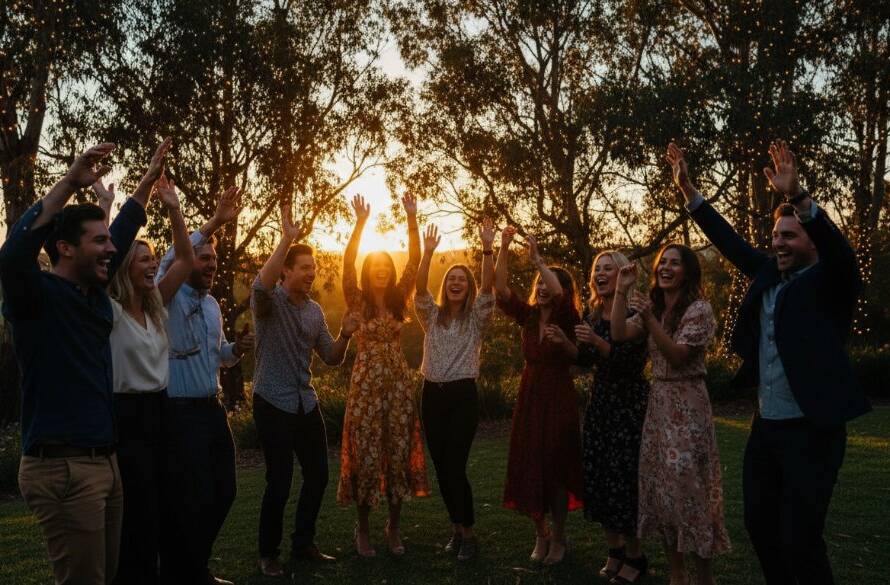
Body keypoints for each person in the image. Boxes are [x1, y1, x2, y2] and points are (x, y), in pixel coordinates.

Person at [666, 140, 871, 585]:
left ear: (811, 244)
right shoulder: (766, 271)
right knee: (760, 525)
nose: (777, 242)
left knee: (801, 537)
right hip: (767, 428)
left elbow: (843, 256)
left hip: (812, 431)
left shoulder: (830, 282)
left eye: (789, 235)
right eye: (775, 235)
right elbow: (728, 241)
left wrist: (798, 197)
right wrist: (690, 193)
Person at [1, 142, 156, 584]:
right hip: (63, 468)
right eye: (100, 241)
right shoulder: (37, 298)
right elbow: (13, 255)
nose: (113, 249)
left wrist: (144, 184)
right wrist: (70, 181)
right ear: (65, 249)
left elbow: (119, 234)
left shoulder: (90, 293)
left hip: (103, 462)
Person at [250, 199, 359, 577]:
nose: (312, 273)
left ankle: (303, 543)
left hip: (304, 403)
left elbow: (330, 357)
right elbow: (258, 287)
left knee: (318, 475)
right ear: (286, 271)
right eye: (305, 268)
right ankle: (268, 553)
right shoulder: (268, 304)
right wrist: (286, 238)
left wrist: (345, 335)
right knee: (278, 480)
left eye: (314, 268)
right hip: (272, 401)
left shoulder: (314, 311)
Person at [610, 244, 730, 585]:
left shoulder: (699, 310)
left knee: (690, 489)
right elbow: (618, 334)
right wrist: (621, 291)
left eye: (675, 263)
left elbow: (678, 356)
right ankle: (677, 575)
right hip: (659, 404)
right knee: (662, 491)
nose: (666, 267)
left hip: (688, 404)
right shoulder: (657, 307)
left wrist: (648, 317)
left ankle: (704, 577)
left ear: (688, 272)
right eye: (663, 261)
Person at [100, 160, 196, 585]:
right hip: (126, 419)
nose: (152, 264)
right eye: (143, 259)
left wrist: (174, 208)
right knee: (136, 516)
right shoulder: (110, 311)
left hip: (162, 412)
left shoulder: (156, 304)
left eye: (155, 258)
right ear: (123, 266)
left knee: (170, 506)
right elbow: (101, 260)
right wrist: (106, 212)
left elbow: (188, 258)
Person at [157, 186, 254, 585]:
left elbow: (216, 357)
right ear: (186, 260)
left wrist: (236, 349)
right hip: (179, 412)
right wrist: (215, 221)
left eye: (215, 259)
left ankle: (189, 565)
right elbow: (171, 257)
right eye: (203, 257)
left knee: (225, 491)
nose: (212, 264)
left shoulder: (213, 306)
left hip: (212, 410)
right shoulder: (167, 296)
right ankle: (188, 571)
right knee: (191, 497)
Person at [336, 193, 429, 557]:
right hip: (365, 387)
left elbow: (415, 260)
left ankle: (393, 527)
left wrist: (411, 219)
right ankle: (362, 530)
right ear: (368, 270)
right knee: (366, 454)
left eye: (386, 265)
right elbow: (346, 261)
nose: (382, 270)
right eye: (375, 265)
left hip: (397, 386)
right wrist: (360, 224)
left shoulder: (398, 298)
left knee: (397, 450)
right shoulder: (355, 300)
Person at [493, 226, 582, 565]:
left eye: (548, 283)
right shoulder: (529, 317)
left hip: (558, 398)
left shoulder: (567, 316)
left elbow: (559, 296)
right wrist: (502, 247)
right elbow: (500, 289)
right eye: (539, 284)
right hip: (530, 398)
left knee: (556, 469)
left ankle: (559, 538)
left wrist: (539, 260)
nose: (544, 288)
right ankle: (540, 534)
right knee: (532, 466)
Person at [414, 219, 496, 561]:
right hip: (431, 395)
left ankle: (469, 535)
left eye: (462, 280)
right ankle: (456, 530)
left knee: (454, 466)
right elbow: (419, 289)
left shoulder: (477, 317)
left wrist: (488, 249)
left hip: (462, 395)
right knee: (441, 465)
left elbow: (490, 287)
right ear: (445, 286)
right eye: (452, 280)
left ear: (469, 287)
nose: (456, 283)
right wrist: (428, 253)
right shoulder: (431, 316)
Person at [575, 251, 650, 584]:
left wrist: (596, 343)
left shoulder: (636, 313)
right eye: (597, 269)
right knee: (602, 477)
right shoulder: (592, 314)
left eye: (609, 268)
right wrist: (571, 343)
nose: (601, 274)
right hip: (601, 404)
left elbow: (628, 364)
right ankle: (615, 550)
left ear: (623, 274)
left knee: (625, 480)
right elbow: (586, 360)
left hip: (629, 406)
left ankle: (636, 555)